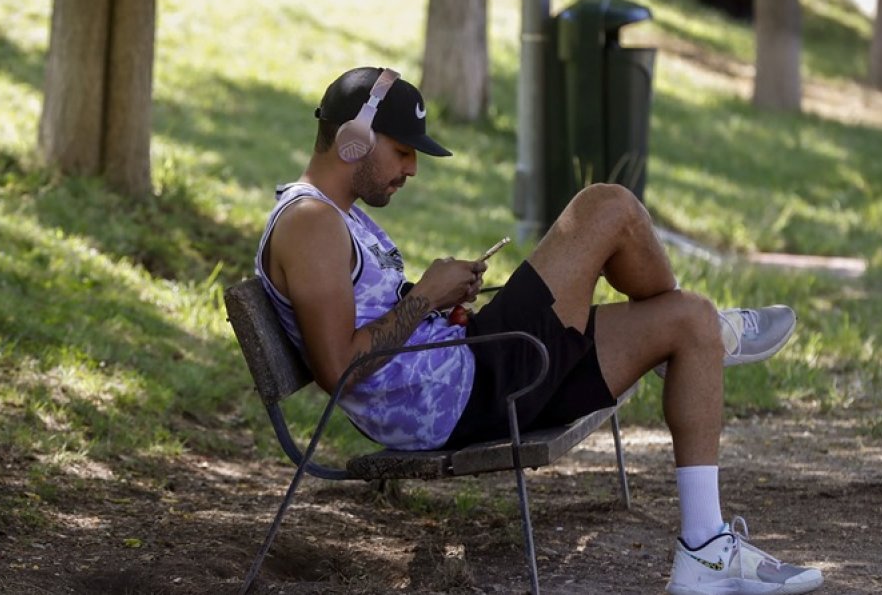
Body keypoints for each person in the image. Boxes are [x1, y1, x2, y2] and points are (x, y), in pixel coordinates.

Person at [254, 66, 824, 595]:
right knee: (607, 206)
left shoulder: (338, 217)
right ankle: (720, 335)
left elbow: (370, 326)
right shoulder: (311, 223)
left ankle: (706, 550)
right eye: (403, 151)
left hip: (473, 376)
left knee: (688, 319)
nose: (412, 169)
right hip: (466, 395)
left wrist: (439, 302)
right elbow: (339, 368)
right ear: (354, 139)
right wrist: (426, 294)